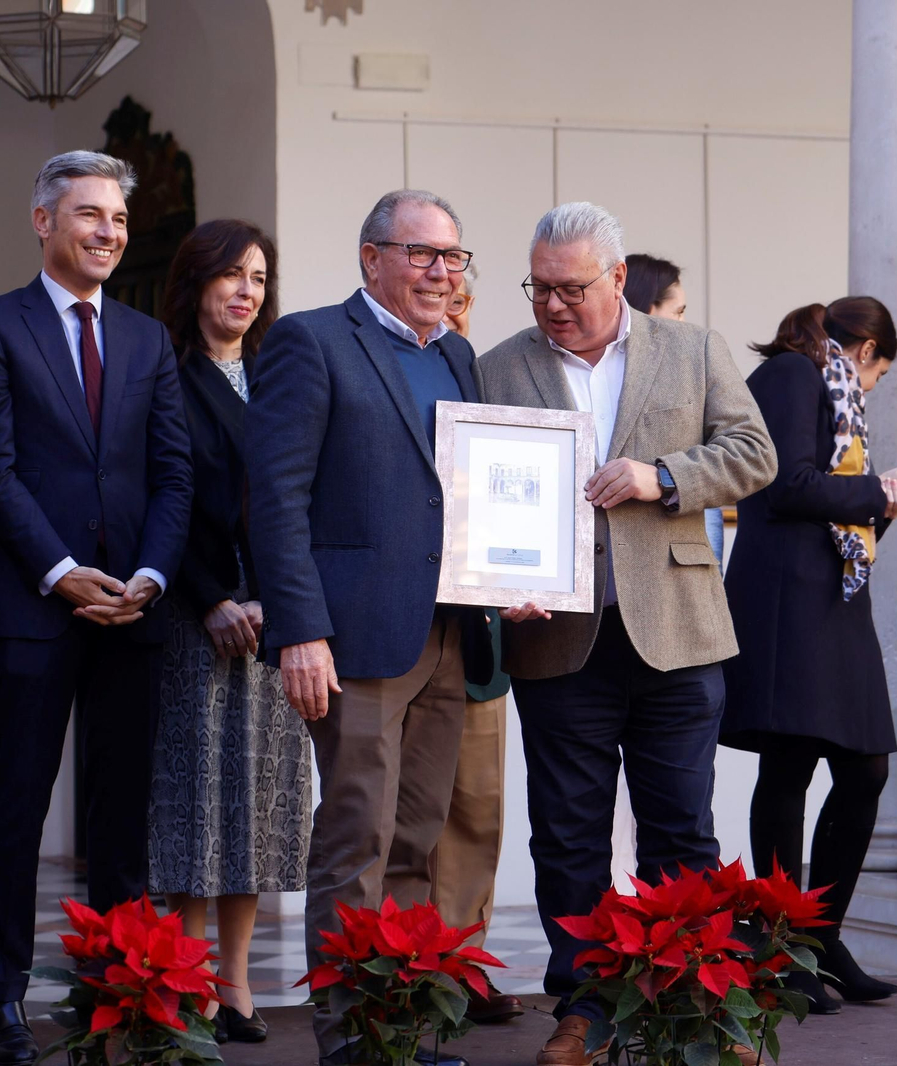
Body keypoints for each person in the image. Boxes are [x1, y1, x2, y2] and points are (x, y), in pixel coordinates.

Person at [476, 202, 776, 1066]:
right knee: (567, 835)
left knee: (682, 829)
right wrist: (498, 588)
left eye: (571, 288)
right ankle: (585, 1009)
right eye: (539, 288)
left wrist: (663, 477)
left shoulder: (694, 348)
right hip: (555, 640)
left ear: (616, 278)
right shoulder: (496, 367)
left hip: (676, 630)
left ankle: (695, 1005)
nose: (552, 305)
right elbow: (474, 497)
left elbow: (754, 455)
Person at [0, 151, 192, 1066]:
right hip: (31, 603)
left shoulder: (146, 338)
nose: (109, 232)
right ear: (43, 220)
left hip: (132, 607)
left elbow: (173, 474)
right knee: (16, 803)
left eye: (119, 219)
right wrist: (59, 570)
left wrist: (151, 576)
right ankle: (3, 998)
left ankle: (121, 990)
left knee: (123, 813)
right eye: (91, 214)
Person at [246, 188, 493, 1066]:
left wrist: (511, 579)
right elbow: (274, 499)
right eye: (421, 253)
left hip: (449, 632)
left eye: (453, 257)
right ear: (372, 258)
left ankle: (400, 1027)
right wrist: (300, 631)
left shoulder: (459, 355)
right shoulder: (310, 341)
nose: (440, 272)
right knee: (358, 834)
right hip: (353, 639)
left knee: (419, 839)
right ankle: (350, 1036)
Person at [720, 298, 897, 1012]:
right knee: (790, 764)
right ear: (866, 349)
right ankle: (784, 947)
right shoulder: (791, 373)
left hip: (832, 599)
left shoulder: (834, 389)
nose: (872, 388)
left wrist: (883, 502)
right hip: (788, 598)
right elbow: (785, 485)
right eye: (879, 374)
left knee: (866, 769)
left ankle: (820, 937)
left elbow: (837, 512)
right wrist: (876, 488)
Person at [147, 218, 310, 1044]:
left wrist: (280, 601)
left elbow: (308, 497)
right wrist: (211, 597)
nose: (246, 291)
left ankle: (236, 983)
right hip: (192, 620)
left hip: (276, 620)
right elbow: (155, 500)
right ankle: (187, 981)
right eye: (230, 275)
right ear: (196, 281)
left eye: (258, 277)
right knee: (197, 804)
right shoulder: (162, 375)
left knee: (255, 805)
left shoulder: (284, 374)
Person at [430, 259, 523, 1026]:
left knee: (479, 808)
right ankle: (409, 973)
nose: (453, 311)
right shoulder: (384, 377)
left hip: (481, 636)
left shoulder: (489, 389)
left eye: (463, 300)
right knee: (405, 817)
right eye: (444, 298)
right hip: (402, 633)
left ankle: (461, 967)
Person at [622, 253, 725, 564]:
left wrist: (665, 478)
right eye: (678, 312)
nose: (683, 323)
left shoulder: (696, 359)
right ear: (645, 309)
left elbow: (749, 451)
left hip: (690, 526)